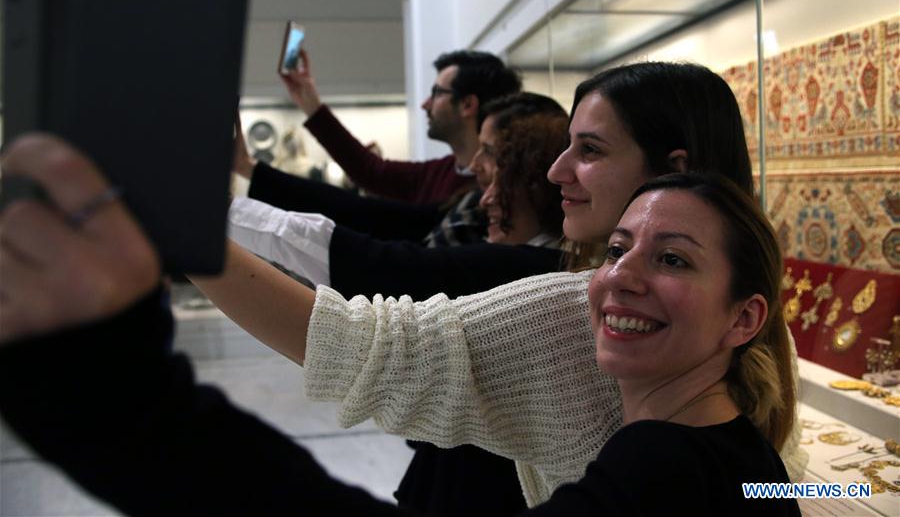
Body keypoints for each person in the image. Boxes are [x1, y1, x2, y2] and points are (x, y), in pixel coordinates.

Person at [0, 136, 800, 516]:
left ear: (745, 318)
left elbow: (370, 285)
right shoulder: (733, 450)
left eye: (674, 259)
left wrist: (126, 409)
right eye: (618, 250)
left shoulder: (663, 461)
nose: (621, 274)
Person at [191, 62, 807, 506]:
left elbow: (363, 319)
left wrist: (190, 226)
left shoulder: (585, 333)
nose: (558, 171)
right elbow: (777, 482)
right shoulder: (709, 394)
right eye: (618, 252)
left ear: (744, 317)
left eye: (590, 150)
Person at [228, 92, 568, 300]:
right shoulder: (471, 204)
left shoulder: (531, 263)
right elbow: (370, 211)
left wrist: (222, 210)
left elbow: (398, 265)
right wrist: (249, 170)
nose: (425, 102)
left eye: (491, 152)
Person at [234, 49, 522, 205]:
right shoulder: (442, 171)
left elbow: (366, 189)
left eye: (436, 94)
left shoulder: (491, 195)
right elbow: (369, 171)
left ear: (467, 105)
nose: (425, 104)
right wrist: (310, 102)